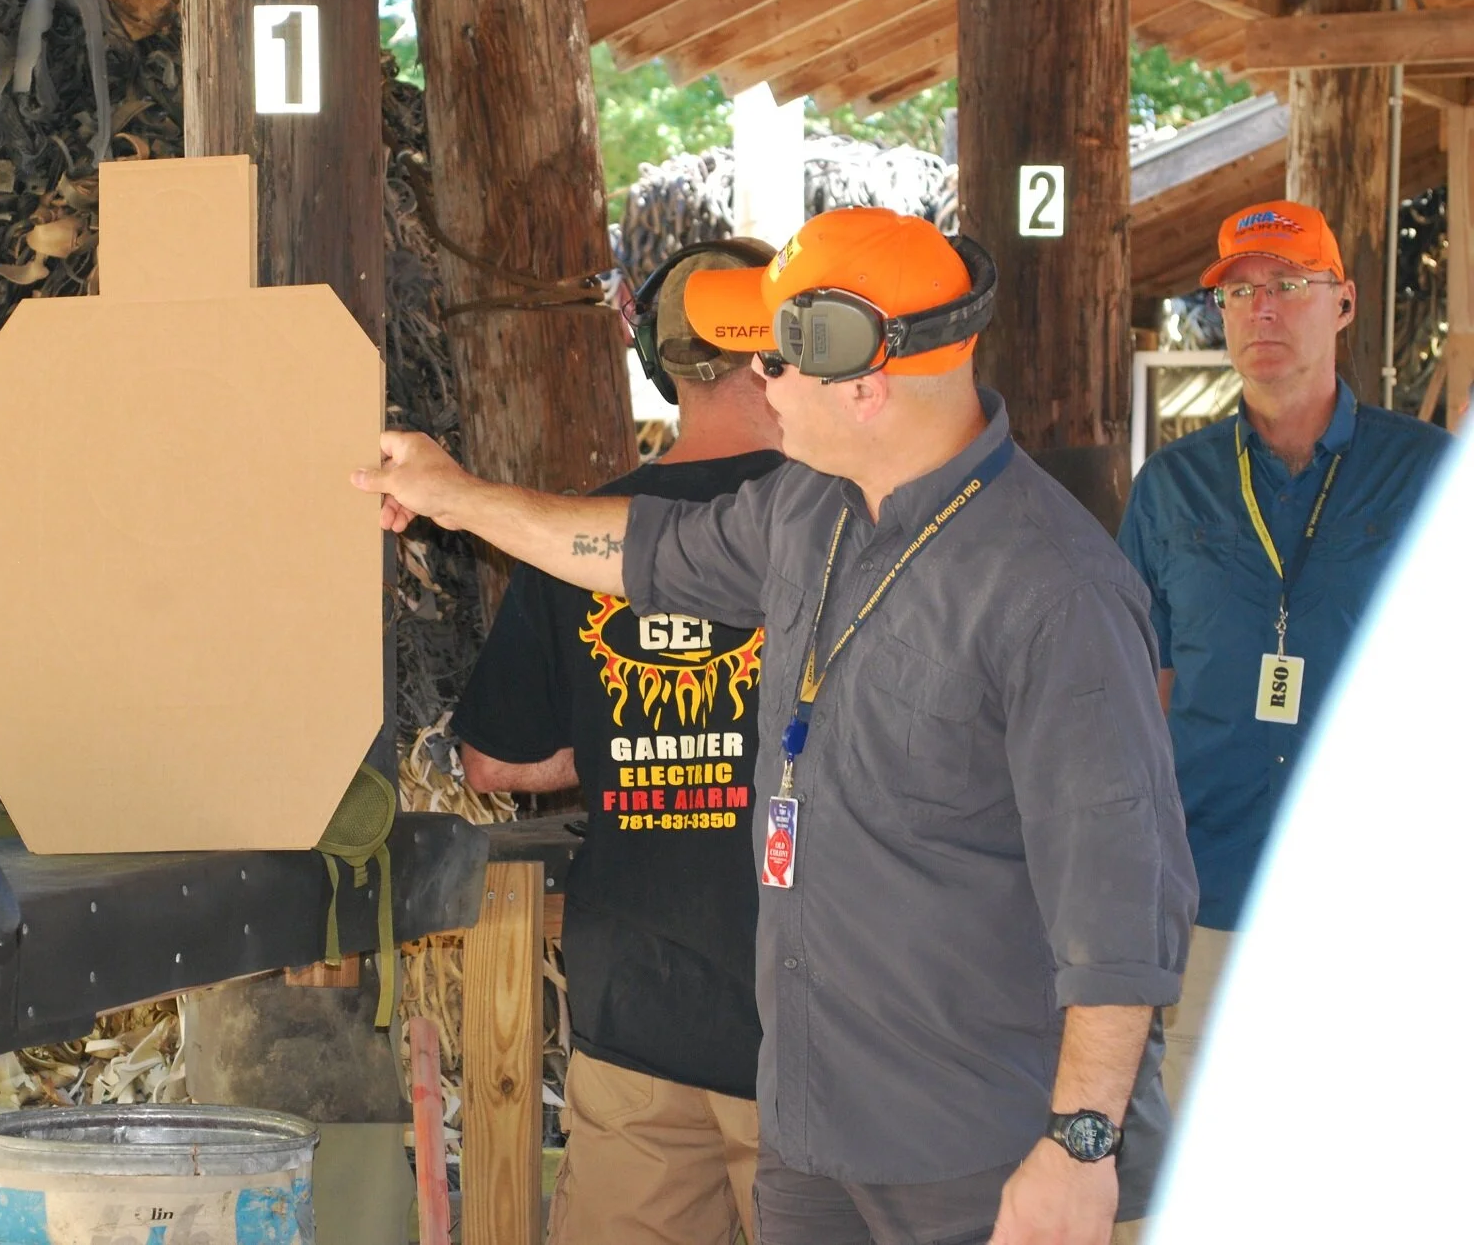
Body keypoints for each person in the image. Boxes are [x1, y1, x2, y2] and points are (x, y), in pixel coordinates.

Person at [354, 207, 1195, 1245]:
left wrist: (1076, 1144)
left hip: (967, 1150)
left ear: (866, 384)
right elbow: (630, 550)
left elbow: (1119, 897)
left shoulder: (1053, 589)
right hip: (808, 1127)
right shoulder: (809, 511)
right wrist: (457, 498)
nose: (759, 381)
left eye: (777, 358)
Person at [454, 239, 784, 1245]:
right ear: (782, 349)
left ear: (661, 362)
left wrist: (611, 748)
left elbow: (490, 762)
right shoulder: (832, 525)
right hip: (811, 1029)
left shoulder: (577, 534)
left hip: (636, 1012)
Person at [1116, 200, 1452, 1110]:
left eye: (1289, 286)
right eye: (1239, 293)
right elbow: (1138, 695)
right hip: (1210, 892)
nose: (1262, 310)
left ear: (1342, 304)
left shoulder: (1427, 472)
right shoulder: (1172, 487)